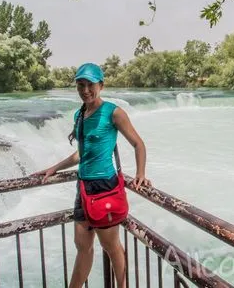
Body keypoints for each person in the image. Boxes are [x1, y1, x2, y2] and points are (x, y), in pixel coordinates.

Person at [33, 62, 151, 288]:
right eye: (80, 85)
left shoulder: (113, 112)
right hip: (83, 187)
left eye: (90, 85)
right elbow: (81, 154)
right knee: (83, 246)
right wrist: (54, 168)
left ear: (101, 85)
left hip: (104, 186)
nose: (85, 90)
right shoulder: (80, 114)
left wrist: (140, 173)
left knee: (112, 246)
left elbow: (138, 144)